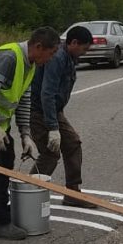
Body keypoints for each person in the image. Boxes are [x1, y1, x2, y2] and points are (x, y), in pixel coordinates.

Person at [0, 27, 60, 240]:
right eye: (51, 53)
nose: (52, 58)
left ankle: (1, 210)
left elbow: (23, 99)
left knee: (6, 161)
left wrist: (26, 134)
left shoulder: (31, 63)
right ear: (38, 47)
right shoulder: (9, 58)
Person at [29, 25, 95, 208]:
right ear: (74, 43)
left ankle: (72, 193)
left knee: (72, 143)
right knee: (50, 153)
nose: (84, 53)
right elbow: (47, 93)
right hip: (38, 111)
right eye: (83, 48)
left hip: (53, 112)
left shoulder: (69, 57)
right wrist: (52, 127)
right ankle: (30, 193)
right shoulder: (57, 58)